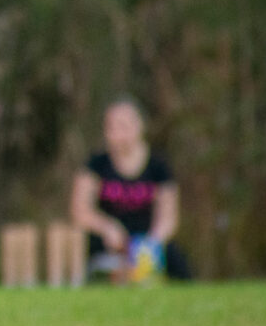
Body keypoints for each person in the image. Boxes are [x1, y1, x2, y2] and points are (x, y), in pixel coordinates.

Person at [70, 98, 192, 282]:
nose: (117, 133)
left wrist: (152, 243)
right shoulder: (96, 165)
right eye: (112, 126)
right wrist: (107, 228)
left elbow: (169, 216)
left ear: (139, 125)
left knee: (181, 271)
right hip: (108, 241)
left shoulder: (159, 167)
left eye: (123, 125)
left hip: (148, 240)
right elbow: (80, 210)